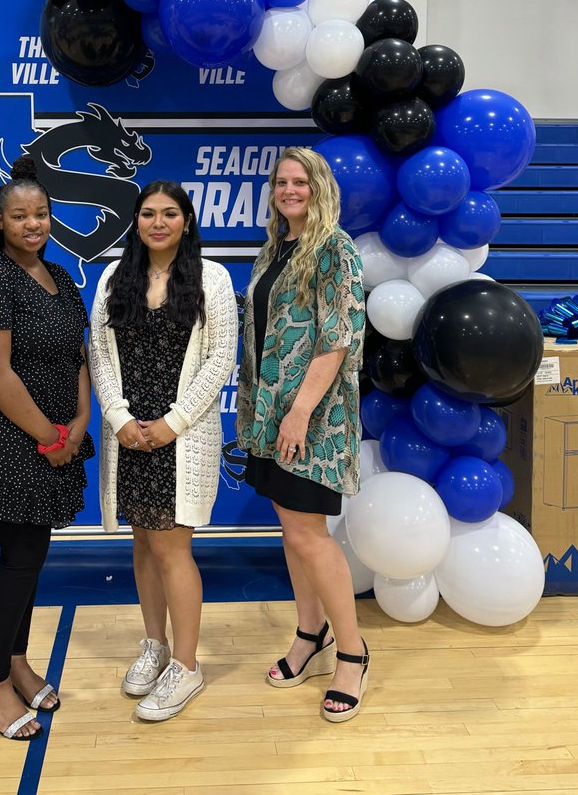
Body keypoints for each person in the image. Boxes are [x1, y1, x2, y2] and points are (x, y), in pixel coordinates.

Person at [0, 156, 94, 741]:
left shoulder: (59, 278)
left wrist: (80, 422)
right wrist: (50, 435)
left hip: (58, 439)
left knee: (31, 560)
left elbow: (76, 356)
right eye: (20, 216)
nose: (33, 223)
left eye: (41, 213)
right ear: (1, 222)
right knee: (18, 562)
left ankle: (15, 662)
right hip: (13, 442)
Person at [89, 181, 238, 721]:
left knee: (173, 549)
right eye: (148, 213)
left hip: (181, 437)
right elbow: (99, 357)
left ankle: (187, 666)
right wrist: (122, 420)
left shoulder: (212, 279)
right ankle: (154, 645)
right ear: (136, 221)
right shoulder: (113, 278)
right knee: (144, 545)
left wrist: (172, 424)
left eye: (169, 213)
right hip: (130, 437)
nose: (158, 222)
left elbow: (220, 358)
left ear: (186, 221)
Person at [236, 146, 367, 724]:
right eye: (281, 182)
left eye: (301, 182)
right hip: (270, 415)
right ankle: (309, 634)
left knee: (311, 535)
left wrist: (301, 412)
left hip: (312, 419)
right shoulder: (274, 251)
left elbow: (337, 338)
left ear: (320, 189)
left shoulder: (335, 250)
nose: (290, 190)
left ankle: (354, 653)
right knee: (293, 532)